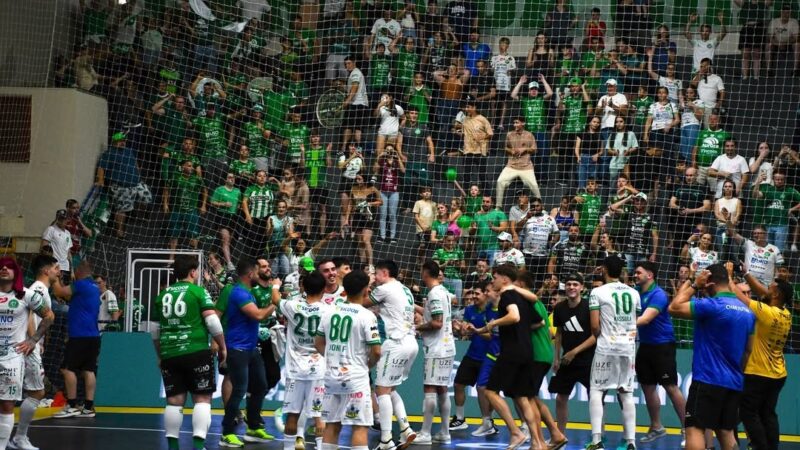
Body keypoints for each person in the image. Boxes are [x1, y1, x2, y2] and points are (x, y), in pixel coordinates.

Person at [668, 264, 756, 450]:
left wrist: (693, 284)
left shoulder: (711, 306)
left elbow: (674, 307)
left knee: (694, 429)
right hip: (734, 381)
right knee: (726, 431)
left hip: (708, 379)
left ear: (709, 283)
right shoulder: (748, 312)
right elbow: (749, 351)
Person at [148, 255, 225, 450]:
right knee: (202, 399)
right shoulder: (198, 292)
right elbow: (212, 321)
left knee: (174, 402)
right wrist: (222, 346)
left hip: (169, 353)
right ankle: (198, 447)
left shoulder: (162, 296)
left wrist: (160, 355)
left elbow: (154, 331)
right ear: (192, 272)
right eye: (197, 270)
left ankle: (173, 447)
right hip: (196, 351)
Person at [474, 264, 546, 450]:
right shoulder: (522, 297)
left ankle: (515, 432)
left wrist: (495, 323)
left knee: (490, 391)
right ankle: (538, 443)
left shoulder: (507, 296)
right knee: (523, 397)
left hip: (511, 352)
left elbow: (513, 317)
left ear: (505, 279)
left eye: (495, 277)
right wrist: (480, 329)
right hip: (527, 351)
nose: (493, 280)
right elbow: (539, 322)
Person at [727, 262, 793, 450]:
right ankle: (772, 447)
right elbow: (763, 291)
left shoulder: (766, 312)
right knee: (768, 413)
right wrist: (746, 273)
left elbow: (738, 295)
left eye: (771, 286)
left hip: (759, 373)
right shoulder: (785, 313)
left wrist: (730, 275)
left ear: (776, 295)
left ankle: (759, 446)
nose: (767, 286)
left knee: (748, 413)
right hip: (779, 374)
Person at [314, 270, 382, 450]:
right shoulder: (367, 316)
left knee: (332, 425)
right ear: (366, 290)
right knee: (359, 426)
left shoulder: (329, 312)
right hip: (356, 378)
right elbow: (377, 351)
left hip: (331, 376)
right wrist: (367, 366)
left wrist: (331, 358)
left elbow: (318, 343)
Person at [219, 258, 277, 447]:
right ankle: (226, 433)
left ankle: (253, 427)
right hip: (237, 348)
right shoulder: (238, 293)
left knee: (260, 385)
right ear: (250, 274)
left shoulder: (248, 292)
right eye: (255, 271)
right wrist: (275, 303)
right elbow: (258, 315)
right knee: (239, 390)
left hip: (251, 348)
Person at [585, 255, 641, 450]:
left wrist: (602, 335)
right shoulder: (634, 293)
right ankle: (631, 442)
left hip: (606, 347)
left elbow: (594, 326)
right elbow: (635, 318)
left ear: (604, 270)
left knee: (597, 390)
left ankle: (596, 440)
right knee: (626, 392)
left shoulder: (597, 292)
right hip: (628, 348)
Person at [273, 271, 330, 450]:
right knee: (319, 416)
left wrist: (276, 285)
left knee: (292, 416)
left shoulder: (292, 306)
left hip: (295, 370)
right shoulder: (328, 310)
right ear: (324, 289)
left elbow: (275, 299)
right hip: (319, 369)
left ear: (303, 287)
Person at [4, 256, 56, 450]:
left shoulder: (39, 289)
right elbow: (30, 315)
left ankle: (14, 437)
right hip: (24, 348)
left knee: (24, 394)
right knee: (35, 391)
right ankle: (19, 437)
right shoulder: (37, 289)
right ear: (46, 270)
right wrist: (32, 341)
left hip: (26, 346)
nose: (59, 271)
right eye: (55, 268)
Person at [368, 260, 419, 450]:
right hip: (411, 343)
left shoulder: (385, 288)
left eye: (376, 273)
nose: (375, 276)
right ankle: (405, 428)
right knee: (390, 390)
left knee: (381, 390)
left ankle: (386, 440)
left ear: (384, 272)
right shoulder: (404, 288)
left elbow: (362, 302)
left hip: (395, 342)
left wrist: (367, 282)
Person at [633, 261, 686, 445]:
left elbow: (646, 319)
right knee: (647, 387)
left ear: (650, 275)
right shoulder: (636, 293)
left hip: (662, 346)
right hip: (645, 346)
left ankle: (688, 428)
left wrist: (620, 326)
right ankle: (656, 426)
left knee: (670, 387)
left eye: (639, 272)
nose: (635, 275)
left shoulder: (659, 294)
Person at [51, 261, 102, 419]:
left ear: (79, 272)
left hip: (79, 336)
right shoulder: (95, 287)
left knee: (67, 369)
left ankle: (72, 405)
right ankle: (88, 407)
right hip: (93, 336)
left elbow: (59, 292)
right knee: (89, 370)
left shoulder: (80, 285)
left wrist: (55, 277)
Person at [414, 261, 456, 444]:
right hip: (448, 346)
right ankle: (445, 433)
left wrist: (418, 327)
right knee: (442, 389)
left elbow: (437, 322)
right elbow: (435, 313)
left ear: (425, 272)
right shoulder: (443, 292)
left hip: (437, 348)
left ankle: (425, 433)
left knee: (430, 388)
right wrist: (417, 308)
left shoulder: (433, 294)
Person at [549, 272, 595, 435]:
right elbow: (559, 333)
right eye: (569, 284)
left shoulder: (590, 307)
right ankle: (560, 435)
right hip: (566, 361)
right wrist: (556, 358)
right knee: (561, 398)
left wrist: (574, 352)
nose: (571, 287)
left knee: (595, 400)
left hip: (588, 361)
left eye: (575, 284)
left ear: (582, 288)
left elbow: (596, 335)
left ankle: (598, 437)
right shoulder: (560, 308)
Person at [450, 282, 493, 432]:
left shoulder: (491, 311)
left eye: (477, 294)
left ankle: (488, 421)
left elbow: (493, 336)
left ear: (485, 295)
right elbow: (466, 333)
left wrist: (476, 331)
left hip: (489, 356)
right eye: (473, 293)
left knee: (487, 391)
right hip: (472, 354)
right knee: (458, 385)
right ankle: (460, 418)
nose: (473, 296)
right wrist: (460, 329)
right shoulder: (469, 310)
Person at [94, 132, 152, 238]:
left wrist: (138, 174)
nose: (123, 143)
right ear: (115, 142)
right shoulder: (109, 154)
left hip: (136, 183)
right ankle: (119, 231)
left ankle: (138, 215)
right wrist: (101, 180)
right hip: (120, 186)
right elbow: (101, 167)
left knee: (147, 198)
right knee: (122, 209)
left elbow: (135, 163)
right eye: (120, 141)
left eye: (124, 141)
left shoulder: (129, 151)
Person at [496, 116, 541, 209]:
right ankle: (498, 207)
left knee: (534, 186)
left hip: (526, 167)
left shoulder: (529, 135)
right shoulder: (510, 134)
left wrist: (524, 149)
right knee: (500, 181)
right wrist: (511, 151)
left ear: (523, 123)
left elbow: (535, 149)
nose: (515, 125)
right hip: (511, 166)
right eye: (514, 123)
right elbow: (505, 147)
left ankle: (540, 207)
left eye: (517, 122)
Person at [752, 170, 800, 253]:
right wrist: (758, 182)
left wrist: (792, 209)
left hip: (782, 225)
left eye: (781, 179)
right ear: (773, 179)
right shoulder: (768, 189)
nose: (779, 181)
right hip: (768, 224)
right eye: (777, 179)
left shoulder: (790, 190)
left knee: (779, 251)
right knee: (767, 251)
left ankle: (779, 266)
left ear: (785, 180)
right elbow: (755, 196)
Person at [727, 223, 784, 289]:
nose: (756, 235)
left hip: (766, 287)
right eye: (754, 233)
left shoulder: (774, 249)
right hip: (748, 284)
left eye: (759, 233)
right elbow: (734, 234)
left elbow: (780, 269)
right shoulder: (748, 244)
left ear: (765, 234)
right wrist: (728, 222)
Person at [518, 197, 559, 280]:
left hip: (544, 255)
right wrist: (526, 217)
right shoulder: (525, 217)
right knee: (528, 279)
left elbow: (557, 233)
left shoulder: (550, 219)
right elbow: (516, 229)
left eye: (537, 206)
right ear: (530, 207)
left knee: (541, 280)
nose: (535, 208)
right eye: (533, 206)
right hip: (528, 255)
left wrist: (553, 241)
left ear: (542, 206)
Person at [460, 97, 494, 186]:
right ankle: (465, 196)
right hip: (468, 151)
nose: (466, 109)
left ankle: (487, 196)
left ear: (474, 107)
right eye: (465, 107)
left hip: (480, 151)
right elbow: (464, 133)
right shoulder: (465, 119)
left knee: (482, 175)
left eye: (468, 107)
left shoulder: (482, 119)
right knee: (466, 176)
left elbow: (490, 134)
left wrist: (482, 137)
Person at [341, 56, 370, 151]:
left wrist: (347, 101)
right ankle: (358, 149)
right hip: (362, 105)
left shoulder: (355, 73)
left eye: (349, 63)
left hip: (356, 104)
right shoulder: (355, 73)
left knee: (349, 127)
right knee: (358, 128)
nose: (347, 66)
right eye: (345, 64)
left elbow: (355, 87)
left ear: (354, 62)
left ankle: (344, 149)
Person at [41, 209, 73, 282]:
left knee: (64, 290)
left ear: (67, 219)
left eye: (64, 219)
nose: (62, 221)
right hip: (54, 266)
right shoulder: (51, 229)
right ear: (57, 219)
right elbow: (44, 247)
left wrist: (72, 270)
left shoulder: (68, 233)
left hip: (65, 267)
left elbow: (69, 252)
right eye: (60, 218)